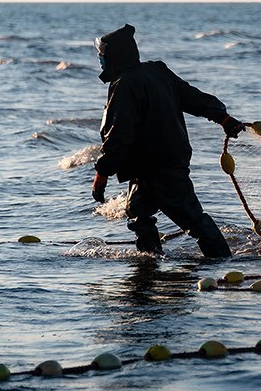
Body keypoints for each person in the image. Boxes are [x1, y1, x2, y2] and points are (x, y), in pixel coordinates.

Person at [90, 23, 245, 258]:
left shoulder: (125, 85)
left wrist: (101, 175)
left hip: (157, 167)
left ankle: (223, 262)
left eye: (102, 56)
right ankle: (150, 262)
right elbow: (193, 98)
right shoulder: (156, 72)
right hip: (156, 164)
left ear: (112, 57)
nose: (100, 60)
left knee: (192, 218)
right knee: (138, 213)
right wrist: (223, 117)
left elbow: (118, 136)